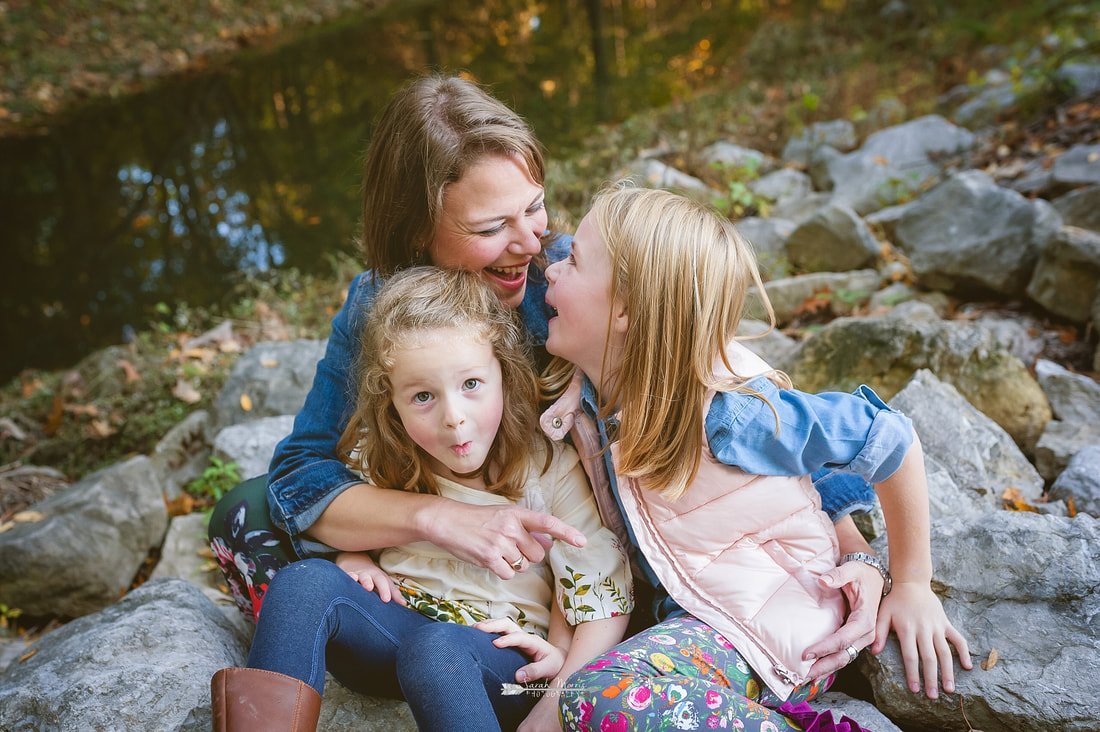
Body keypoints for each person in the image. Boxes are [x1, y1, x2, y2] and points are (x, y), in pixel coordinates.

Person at [207, 72, 887, 682]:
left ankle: (503, 663)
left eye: (533, 207)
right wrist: (435, 520)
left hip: (578, 573)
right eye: (491, 226)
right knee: (243, 512)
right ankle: (408, 631)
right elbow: (302, 472)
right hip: (436, 544)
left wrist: (854, 558)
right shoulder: (377, 305)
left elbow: (745, 406)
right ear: (417, 233)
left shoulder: (572, 287)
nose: (531, 244)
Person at [538, 185, 972, 731]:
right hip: (703, 616)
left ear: (625, 308)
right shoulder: (594, 395)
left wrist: (910, 583)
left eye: (573, 260)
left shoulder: (731, 413)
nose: (551, 269)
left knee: (595, 696)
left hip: (778, 625)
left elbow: (890, 437)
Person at [212, 267, 633, 732]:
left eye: (471, 384)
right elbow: (338, 517)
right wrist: (351, 554)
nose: (454, 418)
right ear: (390, 399)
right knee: (303, 584)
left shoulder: (550, 467)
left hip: (505, 669)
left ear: (505, 374)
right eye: (423, 396)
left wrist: (556, 680)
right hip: (392, 632)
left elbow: (599, 587)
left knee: (437, 650)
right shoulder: (381, 454)